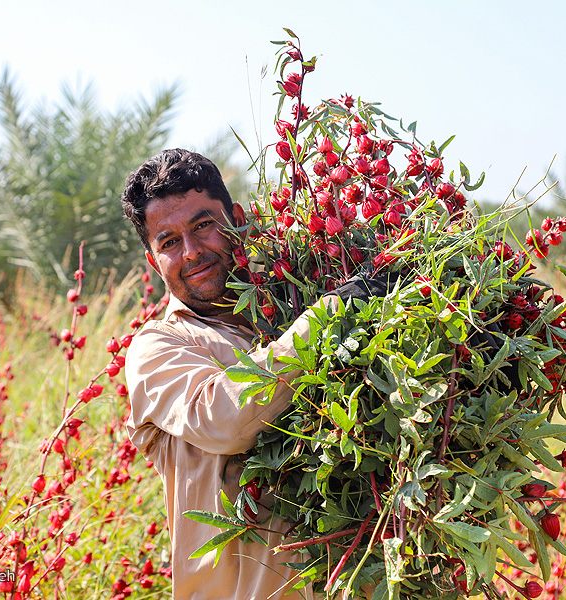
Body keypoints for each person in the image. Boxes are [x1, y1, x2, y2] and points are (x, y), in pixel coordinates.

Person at [121, 149, 389, 600]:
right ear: (154, 261)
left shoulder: (288, 299)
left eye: (203, 225)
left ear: (236, 219)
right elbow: (226, 419)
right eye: (168, 241)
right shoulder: (158, 348)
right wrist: (330, 315)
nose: (192, 252)